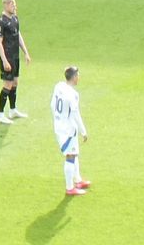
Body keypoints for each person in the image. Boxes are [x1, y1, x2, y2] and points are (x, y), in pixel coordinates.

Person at [51, 65, 89, 197]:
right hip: (67, 130)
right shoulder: (73, 95)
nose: (79, 77)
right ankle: (70, 188)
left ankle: (77, 180)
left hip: (59, 125)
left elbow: (52, 104)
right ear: (74, 77)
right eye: (78, 75)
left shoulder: (58, 86)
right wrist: (83, 131)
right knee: (70, 155)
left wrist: (57, 118)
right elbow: (75, 114)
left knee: (74, 152)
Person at [0, 0, 30, 124]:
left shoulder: (14, 18)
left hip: (15, 56)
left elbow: (18, 35)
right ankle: (0, 114)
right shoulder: (1, 22)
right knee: (7, 84)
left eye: (15, 4)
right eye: (12, 5)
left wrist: (25, 52)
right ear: (6, 5)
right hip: (7, 57)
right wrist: (4, 60)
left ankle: (13, 110)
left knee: (15, 83)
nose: (15, 7)